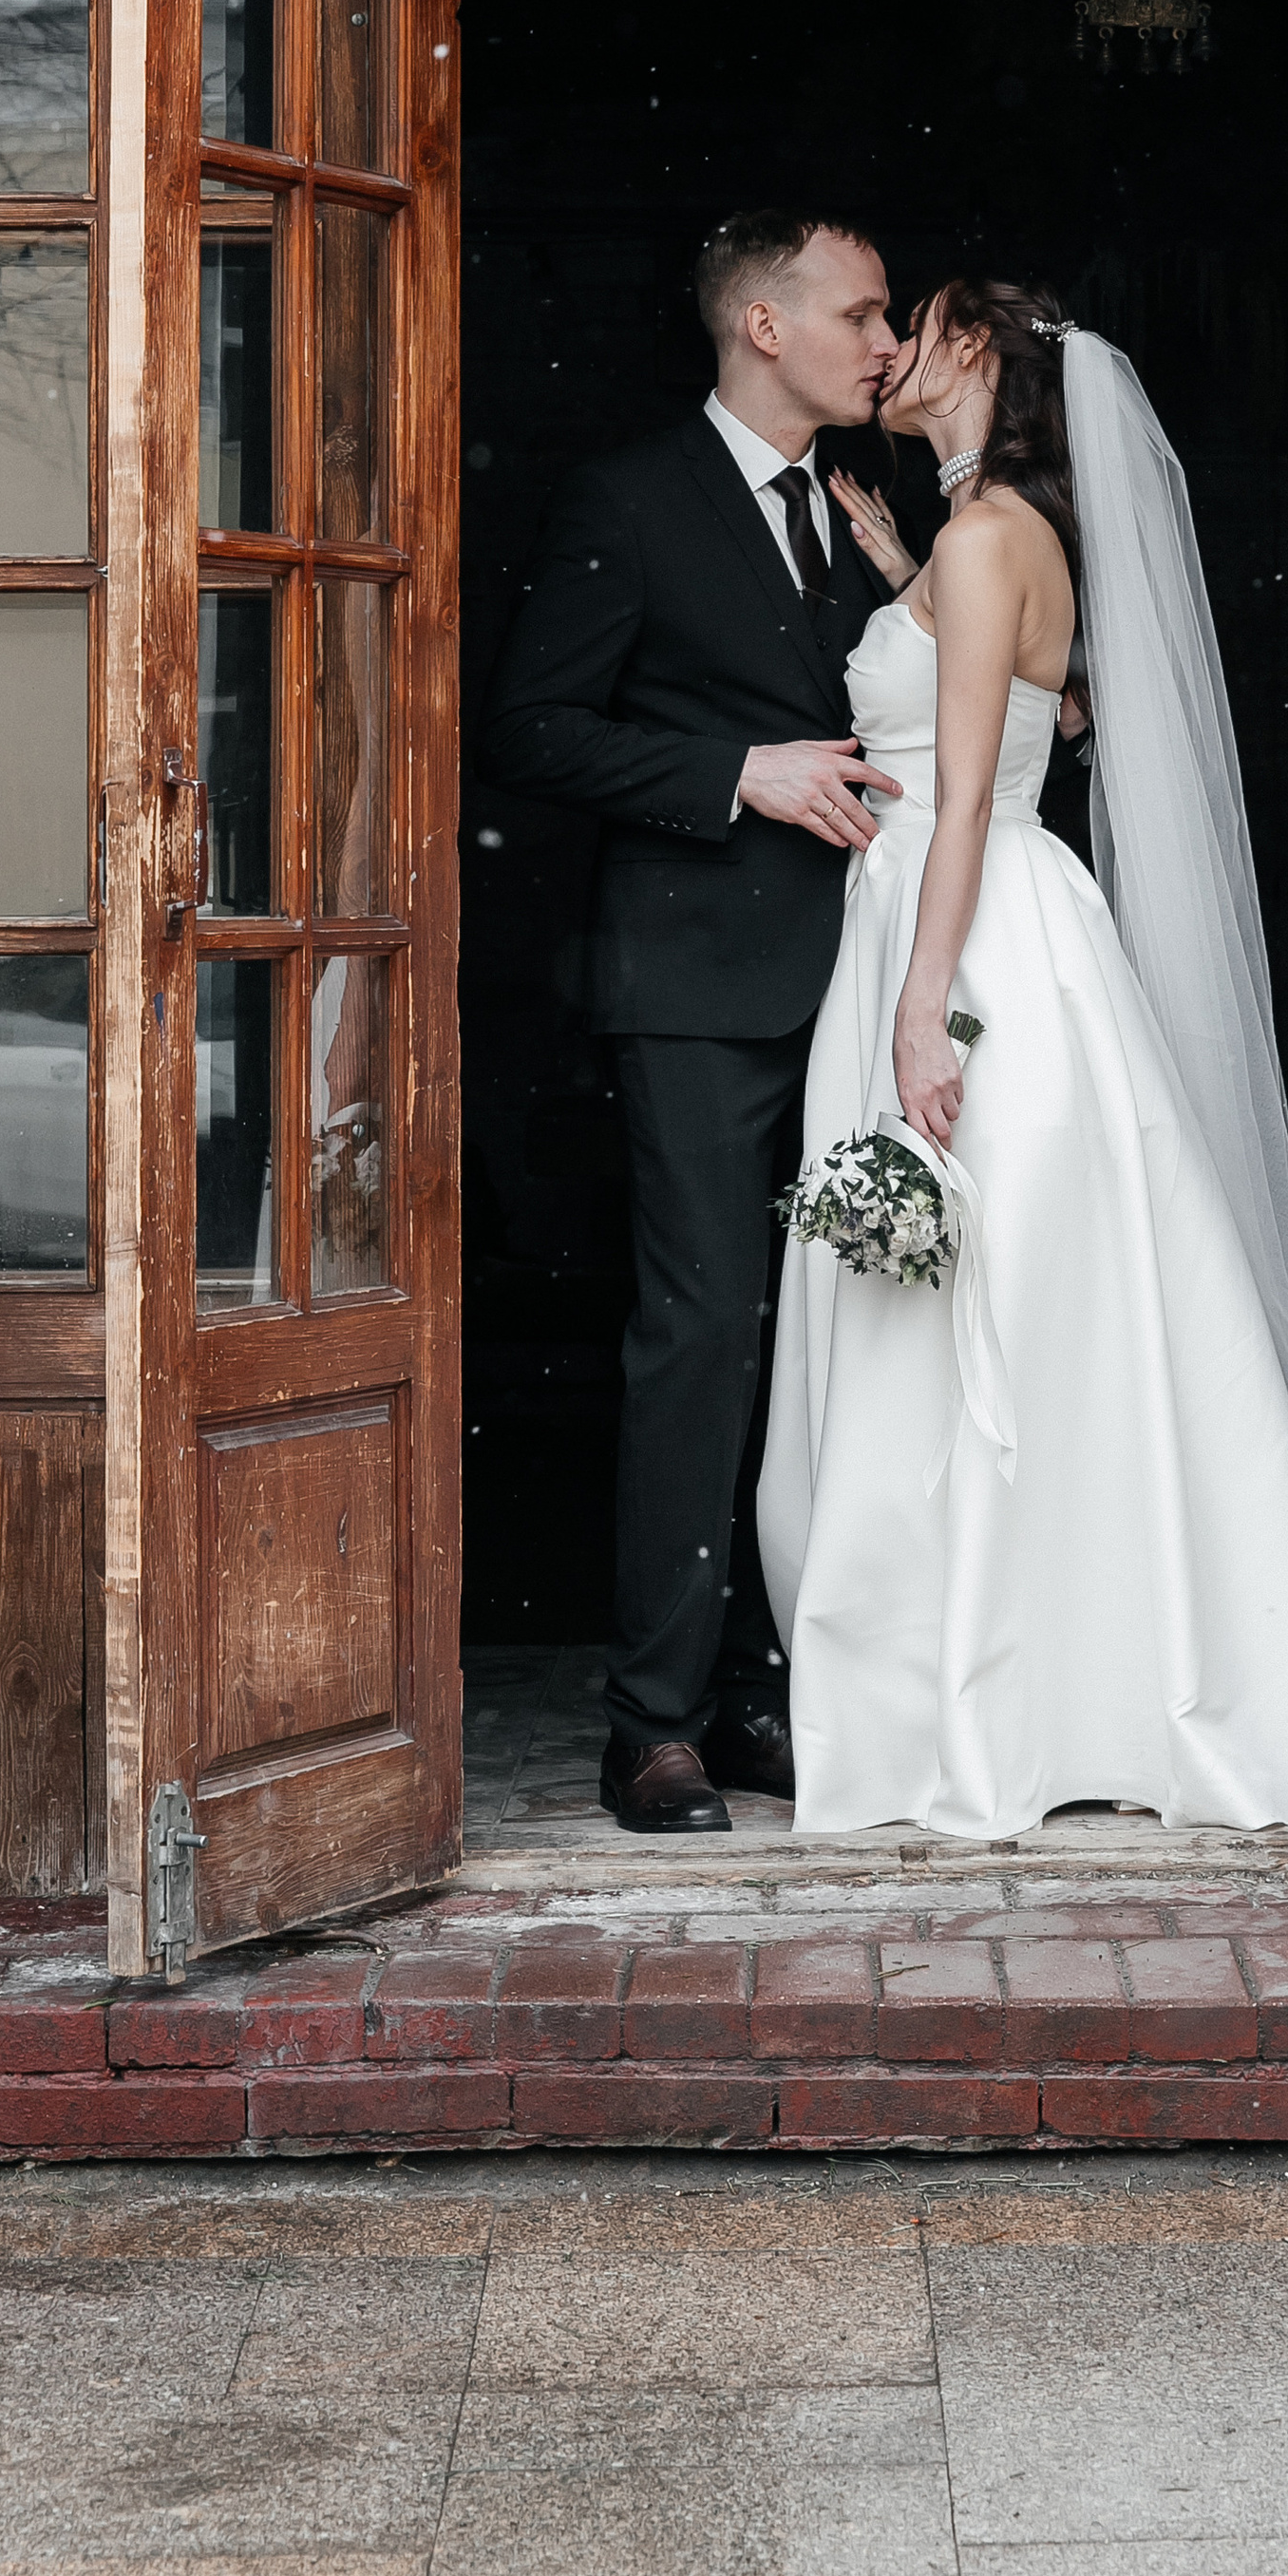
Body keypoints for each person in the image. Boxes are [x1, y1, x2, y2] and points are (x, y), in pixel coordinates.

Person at [759, 277, 1288, 1835]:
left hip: (972, 933)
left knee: (966, 1314)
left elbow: (963, 803)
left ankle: (992, 1696)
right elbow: (1038, 723)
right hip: (1017, 927)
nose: (896, 351)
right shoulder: (986, 541)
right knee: (1053, 1312)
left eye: (920, 325)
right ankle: (1081, 1676)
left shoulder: (993, 540)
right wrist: (903, 581)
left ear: (986, 360)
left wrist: (923, 1007)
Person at [483, 212, 902, 1834]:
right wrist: (738, 775)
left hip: (871, 980)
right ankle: (651, 1720)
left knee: (851, 1341)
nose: (886, 341)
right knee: (704, 1334)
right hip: (699, 992)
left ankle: (770, 1693)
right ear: (760, 320)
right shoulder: (628, 497)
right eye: (860, 312)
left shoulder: (888, 506)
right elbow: (530, 728)